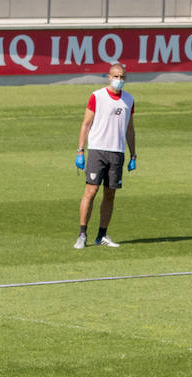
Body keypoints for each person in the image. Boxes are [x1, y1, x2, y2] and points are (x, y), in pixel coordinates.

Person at [74, 62, 136, 249]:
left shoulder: (129, 100)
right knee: (90, 191)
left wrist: (133, 154)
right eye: (116, 76)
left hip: (117, 152)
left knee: (110, 194)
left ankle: (102, 234)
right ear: (109, 77)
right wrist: (80, 150)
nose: (119, 80)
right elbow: (86, 123)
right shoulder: (97, 96)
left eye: (122, 77)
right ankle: (82, 234)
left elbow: (130, 129)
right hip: (98, 150)